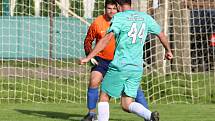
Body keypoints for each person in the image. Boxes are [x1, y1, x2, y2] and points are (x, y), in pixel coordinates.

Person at [80, 0, 173, 120]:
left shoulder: (119, 17)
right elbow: (161, 35)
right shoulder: (145, 17)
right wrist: (168, 51)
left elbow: (107, 38)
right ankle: (150, 116)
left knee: (104, 96)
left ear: (118, 5)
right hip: (136, 67)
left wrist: (89, 56)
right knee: (126, 103)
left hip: (120, 65)